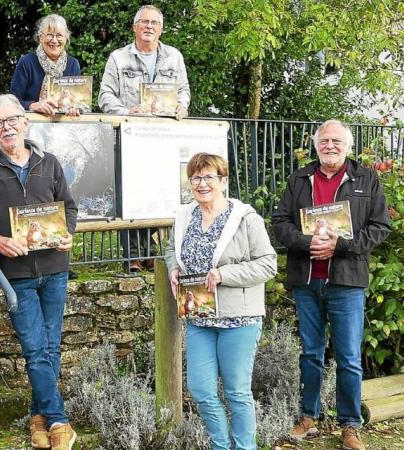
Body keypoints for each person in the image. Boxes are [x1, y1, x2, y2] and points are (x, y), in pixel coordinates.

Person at [0, 94, 78, 450]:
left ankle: (38, 418)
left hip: (55, 269)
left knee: (50, 347)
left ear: (25, 122)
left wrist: (67, 233)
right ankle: (59, 421)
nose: (6, 127)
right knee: (34, 349)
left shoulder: (49, 162)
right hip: (16, 272)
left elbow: (68, 207)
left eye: (12, 120)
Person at [273, 120, 391, 450]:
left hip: (347, 281)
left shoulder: (367, 178)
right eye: (324, 140)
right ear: (315, 144)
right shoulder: (299, 178)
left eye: (336, 141)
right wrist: (305, 241)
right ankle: (307, 416)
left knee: (349, 357)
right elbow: (280, 224)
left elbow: (380, 227)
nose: (330, 145)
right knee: (311, 353)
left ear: (348, 146)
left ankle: (350, 425)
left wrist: (339, 246)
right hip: (308, 280)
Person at [165, 153, 277, 450]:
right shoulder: (184, 216)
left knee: (237, 392)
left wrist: (224, 274)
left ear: (223, 181)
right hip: (199, 318)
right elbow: (170, 249)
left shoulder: (245, 218)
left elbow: (268, 264)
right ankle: (221, 445)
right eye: (196, 178)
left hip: (238, 319)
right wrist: (173, 268)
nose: (201, 184)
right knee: (201, 390)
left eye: (208, 177)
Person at [98, 5, 191, 272]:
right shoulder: (118, 58)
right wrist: (127, 111)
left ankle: (151, 251)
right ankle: (134, 257)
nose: (149, 26)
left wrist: (182, 107)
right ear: (135, 27)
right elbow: (105, 96)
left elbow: (184, 90)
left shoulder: (174, 57)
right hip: (130, 137)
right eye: (144, 22)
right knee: (130, 193)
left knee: (156, 191)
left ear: (161, 29)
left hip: (163, 139)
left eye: (154, 23)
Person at [10, 13, 82, 116]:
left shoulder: (73, 64)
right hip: (31, 124)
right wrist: (32, 105)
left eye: (59, 35)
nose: (54, 40)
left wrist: (75, 108)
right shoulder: (26, 63)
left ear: (66, 38)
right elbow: (13, 101)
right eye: (49, 35)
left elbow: (77, 101)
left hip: (64, 126)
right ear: (40, 37)